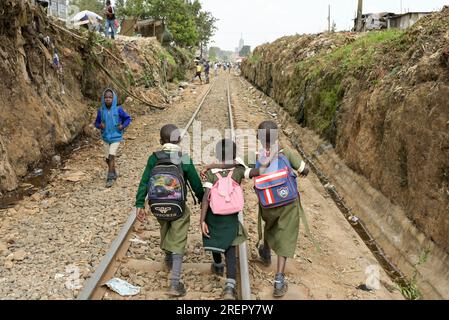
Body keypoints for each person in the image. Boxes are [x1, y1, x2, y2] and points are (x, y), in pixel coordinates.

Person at [203, 121, 310, 298]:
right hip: (288, 202)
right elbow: (304, 169)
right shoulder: (286, 153)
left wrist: (212, 166)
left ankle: (266, 250)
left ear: (258, 138)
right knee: (286, 234)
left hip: (268, 203)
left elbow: (231, 165)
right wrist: (302, 171)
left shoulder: (253, 155)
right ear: (277, 136)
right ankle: (279, 280)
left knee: (269, 224)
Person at [135, 124, 204, 297]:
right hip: (178, 206)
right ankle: (174, 282)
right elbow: (195, 183)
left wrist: (139, 204)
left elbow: (144, 181)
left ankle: (168, 256)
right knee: (179, 237)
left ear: (160, 141)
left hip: (158, 205)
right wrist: (202, 198)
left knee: (165, 227)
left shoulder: (154, 158)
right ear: (179, 140)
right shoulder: (184, 158)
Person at [201, 139, 263, 300]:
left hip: (214, 216)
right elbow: (256, 172)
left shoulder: (210, 173)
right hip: (231, 217)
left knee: (213, 239)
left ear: (217, 155)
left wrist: (202, 220)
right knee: (230, 247)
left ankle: (217, 265)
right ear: (235, 155)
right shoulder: (238, 171)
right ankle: (229, 286)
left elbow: (206, 198)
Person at [94, 89, 131, 188]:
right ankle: (114, 172)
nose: (108, 99)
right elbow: (96, 123)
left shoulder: (118, 109)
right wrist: (100, 126)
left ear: (113, 98)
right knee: (107, 159)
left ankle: (110, 178)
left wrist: (122, 126)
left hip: (116, 137)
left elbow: (128, 118)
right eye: (106, 97)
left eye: (110, 97)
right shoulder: (101, 110)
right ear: (103, 98)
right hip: (106, 138)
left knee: (111, 156)